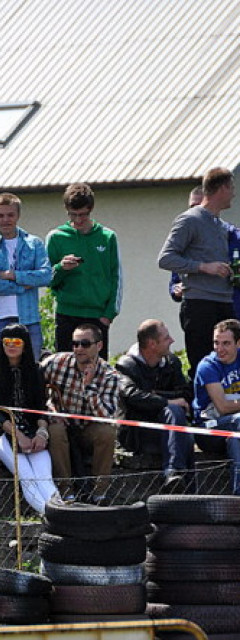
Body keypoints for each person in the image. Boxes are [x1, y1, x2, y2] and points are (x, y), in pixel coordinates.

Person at [0, 323, 58, 514]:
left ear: (25, 344)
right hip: (2, 431)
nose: (11, 345)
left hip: (32, 428)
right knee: (26, 475)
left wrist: (42, 434)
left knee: (44, 476)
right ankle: (51, 517)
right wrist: (19, 436)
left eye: (16, 341)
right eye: (6, 341)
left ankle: (61, 514)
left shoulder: (36, 370)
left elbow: (40, 406)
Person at [158, 167, 235, 372]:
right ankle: (201, 405)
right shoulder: (190, 219)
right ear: (222, 188)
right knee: (203, 364)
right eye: (232, 188)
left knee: (229, 365)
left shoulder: (220, 225)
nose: (234, 194)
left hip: (224, 302)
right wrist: (203, 267)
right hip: (200, 304)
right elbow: (166, 258)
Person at [40, 323, 120, 504]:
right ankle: (66, 492)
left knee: (107, 432)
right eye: (75, 344)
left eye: (85, 344)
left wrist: (89, 386)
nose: (78, 348)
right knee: (56, 430)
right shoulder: (56, 363)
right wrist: (49, 410)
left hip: (88, 429)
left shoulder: (110, 375)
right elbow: (34, 382)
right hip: (60, 425)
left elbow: (105, 416)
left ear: (99, 346)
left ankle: (100, 494)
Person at [115, 319, 194, 492]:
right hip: (138, 434)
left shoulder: (172, 362)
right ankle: (177, 481)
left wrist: (153, 395)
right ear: (152, 344)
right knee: (176, 416)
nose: (172, 340)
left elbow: (186, 393)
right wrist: (166, 401)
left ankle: (176, 482)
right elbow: (132, 396)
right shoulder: (126, 366)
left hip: (169, 428)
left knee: (186, 434)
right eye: (166, 338)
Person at [46, 183, 122, 358]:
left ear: (91, 210)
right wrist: (61, 268)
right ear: (66, 210)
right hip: (67, 314)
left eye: (83, 215)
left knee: (97, 372)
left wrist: (109, 315)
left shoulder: (108, 237)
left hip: (98, 316)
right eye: (73, 215)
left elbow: (116, 277)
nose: (78, 220)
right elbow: (47, 279)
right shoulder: (56, 237)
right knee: (65, 370)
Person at [0, 193, 51, 360]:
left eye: (10, 215)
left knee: (32, 368)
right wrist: (25, 284)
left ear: (18, 215)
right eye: (0, 215)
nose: (5, 220)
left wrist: (13, 275)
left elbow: (46, 276)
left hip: (28, 318)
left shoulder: (34, 243)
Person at [192, 319, 240, 495]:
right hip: (208, 428)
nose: (219, 349)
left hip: (234, 429)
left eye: (226, 343)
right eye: (216, 343)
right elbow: (223, 407)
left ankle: (237, 498)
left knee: (236, 439)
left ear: (238, 343)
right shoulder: (208, 366)